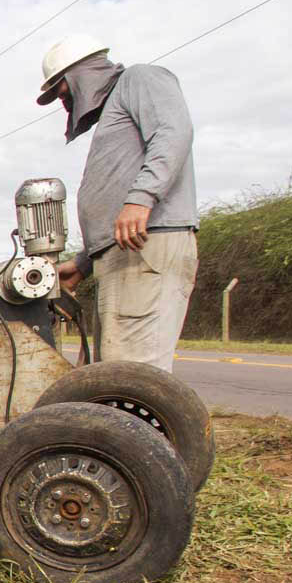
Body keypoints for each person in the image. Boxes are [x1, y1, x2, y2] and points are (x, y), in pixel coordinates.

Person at [42, 35, 199, 373]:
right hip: (124, 253)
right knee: (112, 373)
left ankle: (139, 429)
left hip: (147, 246)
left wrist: (142, 198)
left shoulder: (140, 79)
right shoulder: (116, 108)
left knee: (132, 377)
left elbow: (174, 132)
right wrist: (84, 262)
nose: (63, 100)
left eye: (62, 89)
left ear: (80, 74)